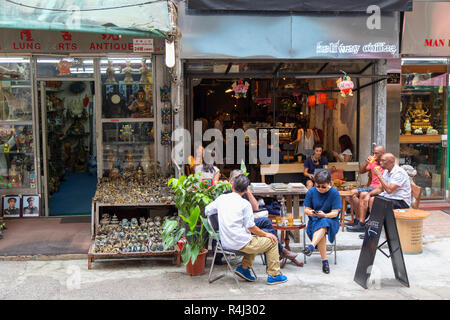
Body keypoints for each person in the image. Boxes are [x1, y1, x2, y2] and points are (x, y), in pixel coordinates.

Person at [205, 174, 288, 285]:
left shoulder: (222, 199)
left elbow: (207, 211)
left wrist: (223, 216)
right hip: (239, 243)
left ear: (232, 185)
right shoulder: (245, 204)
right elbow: (251, 227)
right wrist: (267, 234)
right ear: (246, 190)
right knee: (272, 241)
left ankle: (244, 268)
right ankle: (274, 275)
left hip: (225, 242)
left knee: (256, 238)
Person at [213, 170, 299, 266]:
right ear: (231, 181)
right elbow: (236, 217)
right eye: (238, 179)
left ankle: (273, 257)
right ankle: (278, 256)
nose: (241, 181)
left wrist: (248, 192)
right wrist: (264, 233)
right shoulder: (226, 195)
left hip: (245, 223)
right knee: (269, 233)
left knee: (266, 224)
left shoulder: (243, 193)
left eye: (243, 178)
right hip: (239, 227)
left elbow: (255, 208)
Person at [358, 153, 411, 239]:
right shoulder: (387, 171)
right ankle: (372, 227)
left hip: (400, 201)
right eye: (380, 160)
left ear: (391, 162)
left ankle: (374, 229)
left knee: (374, 201)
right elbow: (379, 189)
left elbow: (389, 190)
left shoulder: (399, 173)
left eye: (383, 161)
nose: (380, 163)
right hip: (389, 198)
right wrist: (368, 194)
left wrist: (379, 175)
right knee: (370, 198)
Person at [302, 170, 341, 274]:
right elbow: (306, 209)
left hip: (331, 220)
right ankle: (324, 261)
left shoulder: (334, 193)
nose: (320, 189)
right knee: (322, 227)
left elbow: (335, 213)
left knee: (324, 222)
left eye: (323, 186)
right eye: (318, 186)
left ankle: (311, 246)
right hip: (315, 219)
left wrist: (325, 215)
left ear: (330, 183)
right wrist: (312, 212)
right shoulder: (311, 191)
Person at [347, 145, 386, 232]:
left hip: (379, 188)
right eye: (373, 153)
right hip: (371, 187)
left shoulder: (386, 163)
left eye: (376, 153)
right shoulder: (373, 162)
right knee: (349, 195)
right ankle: (359, 220)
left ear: (383, 154)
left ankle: (360, 222)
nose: (374, 155)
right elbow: (361, 171)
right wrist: (366, 162)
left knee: (353, 192)